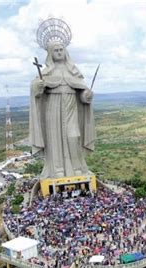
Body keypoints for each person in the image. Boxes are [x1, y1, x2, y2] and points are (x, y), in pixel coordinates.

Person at [30, 40, 96, 179]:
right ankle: (57, 169)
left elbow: (82, 93)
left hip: (71, 106)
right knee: (55, 138)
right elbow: (36, 90)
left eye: (61, 49)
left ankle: (77, 167)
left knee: (74, 136)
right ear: (50, 53)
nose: (59, 52)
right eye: (56, 50)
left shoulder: (73, 71)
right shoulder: (47, 72)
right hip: (53, 106)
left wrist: (87, 96)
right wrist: (38, 86)